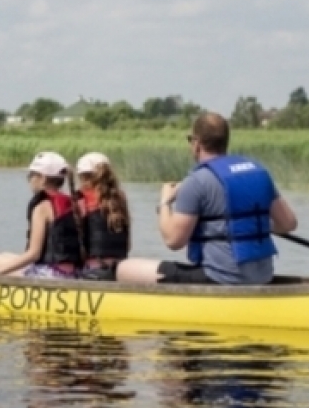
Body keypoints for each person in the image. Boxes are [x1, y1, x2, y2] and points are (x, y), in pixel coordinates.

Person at [117, 112, 298, 286]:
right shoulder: (259, 172)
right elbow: (289, 224)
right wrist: (250, 225)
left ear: (196, 143)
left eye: (190, 140)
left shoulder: (196, 182)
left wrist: (164, 202)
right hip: (263, 277)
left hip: (220, 278)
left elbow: (173, 241)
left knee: (124, 269)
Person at [0, 152, 85, 281]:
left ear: (42, 178)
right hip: (73, 273)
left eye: (31, 175)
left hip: (52, 274)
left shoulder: (42, 207)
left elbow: (34, 254)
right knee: (3, 255)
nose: (29, 179)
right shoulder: (72, 202)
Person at [74, 152, 131, 280]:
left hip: (94, 268)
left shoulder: (81, 198)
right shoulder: (120, 197)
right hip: (122, 267)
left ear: (82, 176)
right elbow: (128, 242)